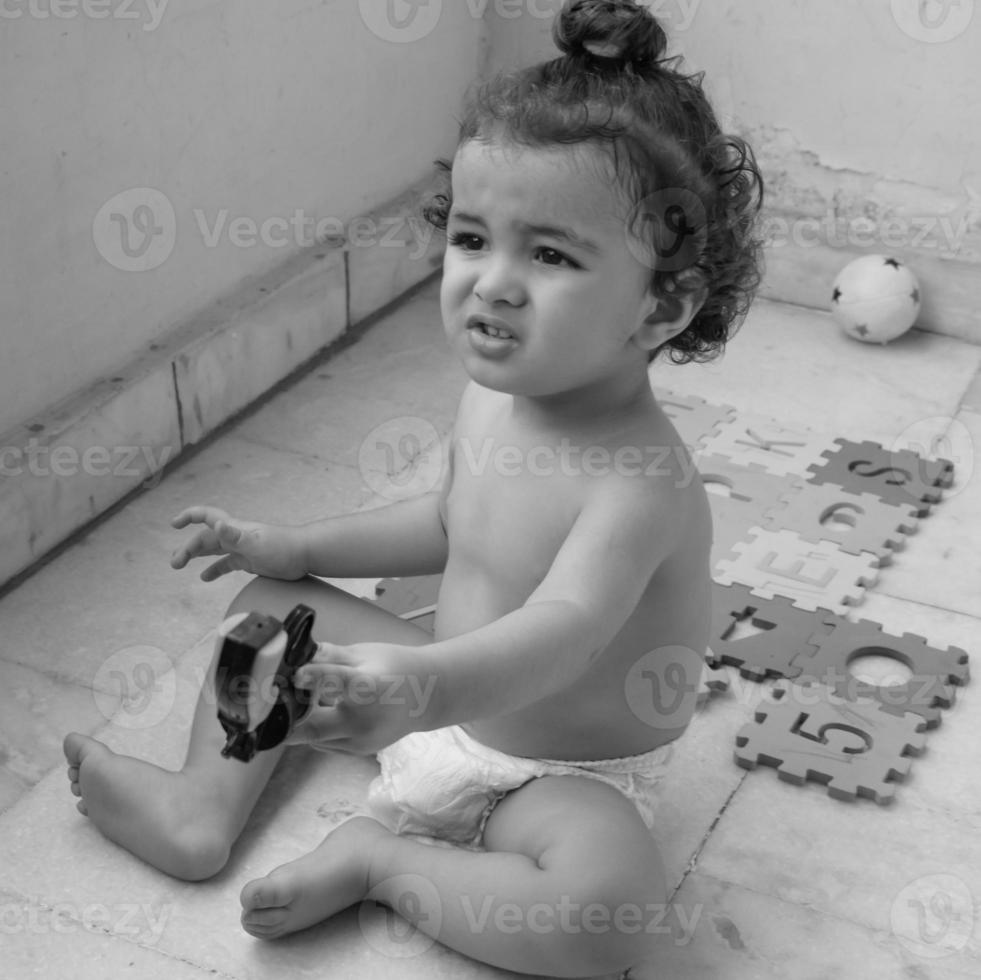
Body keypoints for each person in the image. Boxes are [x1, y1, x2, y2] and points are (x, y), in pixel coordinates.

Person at [64, 0, 763, 974]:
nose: (493, 282)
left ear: (664, 304)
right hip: (425, 695)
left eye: (552, 255)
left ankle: (381, 861)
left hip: (555, 777)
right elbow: (448, 525)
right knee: (264, 611)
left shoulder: (640, 484)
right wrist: (297, 549)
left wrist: (419, 684)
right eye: (474, 238)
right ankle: (201, 800)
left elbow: (562, 631)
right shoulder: (491, 404)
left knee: (605, 916)